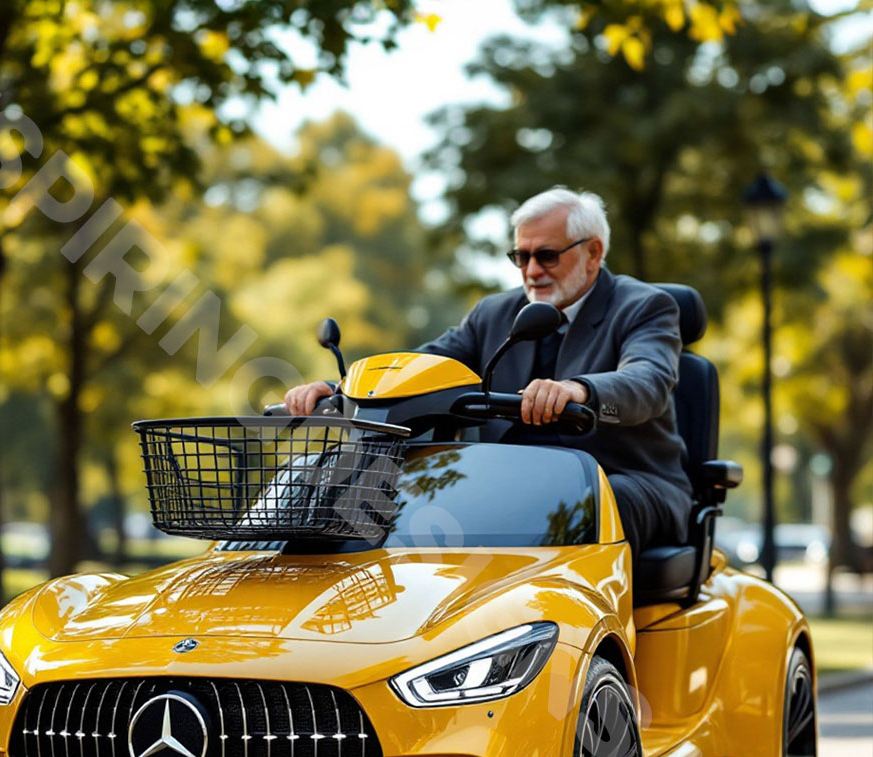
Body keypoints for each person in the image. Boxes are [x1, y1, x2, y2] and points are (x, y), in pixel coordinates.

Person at [284, 186, 692, 561]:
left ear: (594, 253)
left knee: (593, 502)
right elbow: (423, 365)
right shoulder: (493, 314)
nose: (532, 271)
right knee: (395, 500)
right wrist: (339, 388)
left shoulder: (645, 306)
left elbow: (649, 381)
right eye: (521, 257)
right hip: (509, 484)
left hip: (626, 481)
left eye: (547, 255)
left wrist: (578, 390)